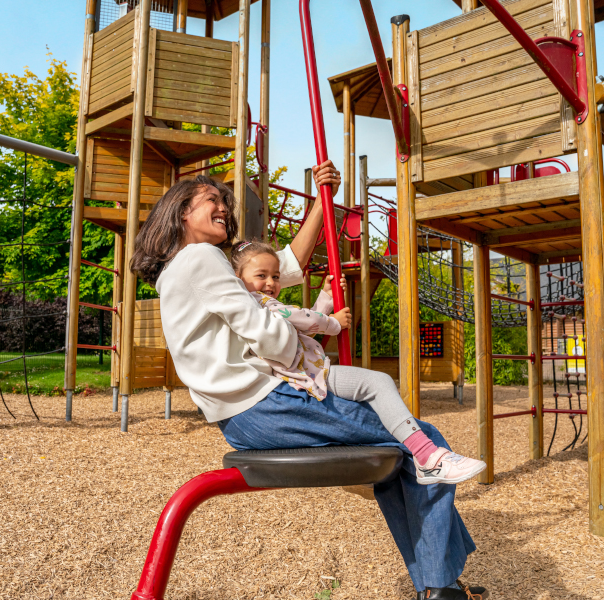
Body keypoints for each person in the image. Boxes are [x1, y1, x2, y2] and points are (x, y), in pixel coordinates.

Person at [130, 161, 488, 599]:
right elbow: (262, 329)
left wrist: (324, 201)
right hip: (268, 404)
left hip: (242, 416)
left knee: (397, 463)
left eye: (226, 202)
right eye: (212, 200)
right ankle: (441, 586)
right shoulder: (201, 258)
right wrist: (305, 339)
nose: (224, 207)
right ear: (183, 211)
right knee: (423, 439)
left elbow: (284, 266)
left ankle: (440, 583)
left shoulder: (185, 268)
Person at [229, 239, 487, 486]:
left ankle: (423, 457)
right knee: (376, 386)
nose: (271, 282)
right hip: (306, 376)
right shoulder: (256, 303)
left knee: (378, 387)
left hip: (312, 370)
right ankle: (427, 456)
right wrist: (333, 323)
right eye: (261, 275)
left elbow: (300, 326)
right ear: (239, 278)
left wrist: (327, 298)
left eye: (275, 276)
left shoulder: (262, 305)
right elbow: (299, 317)